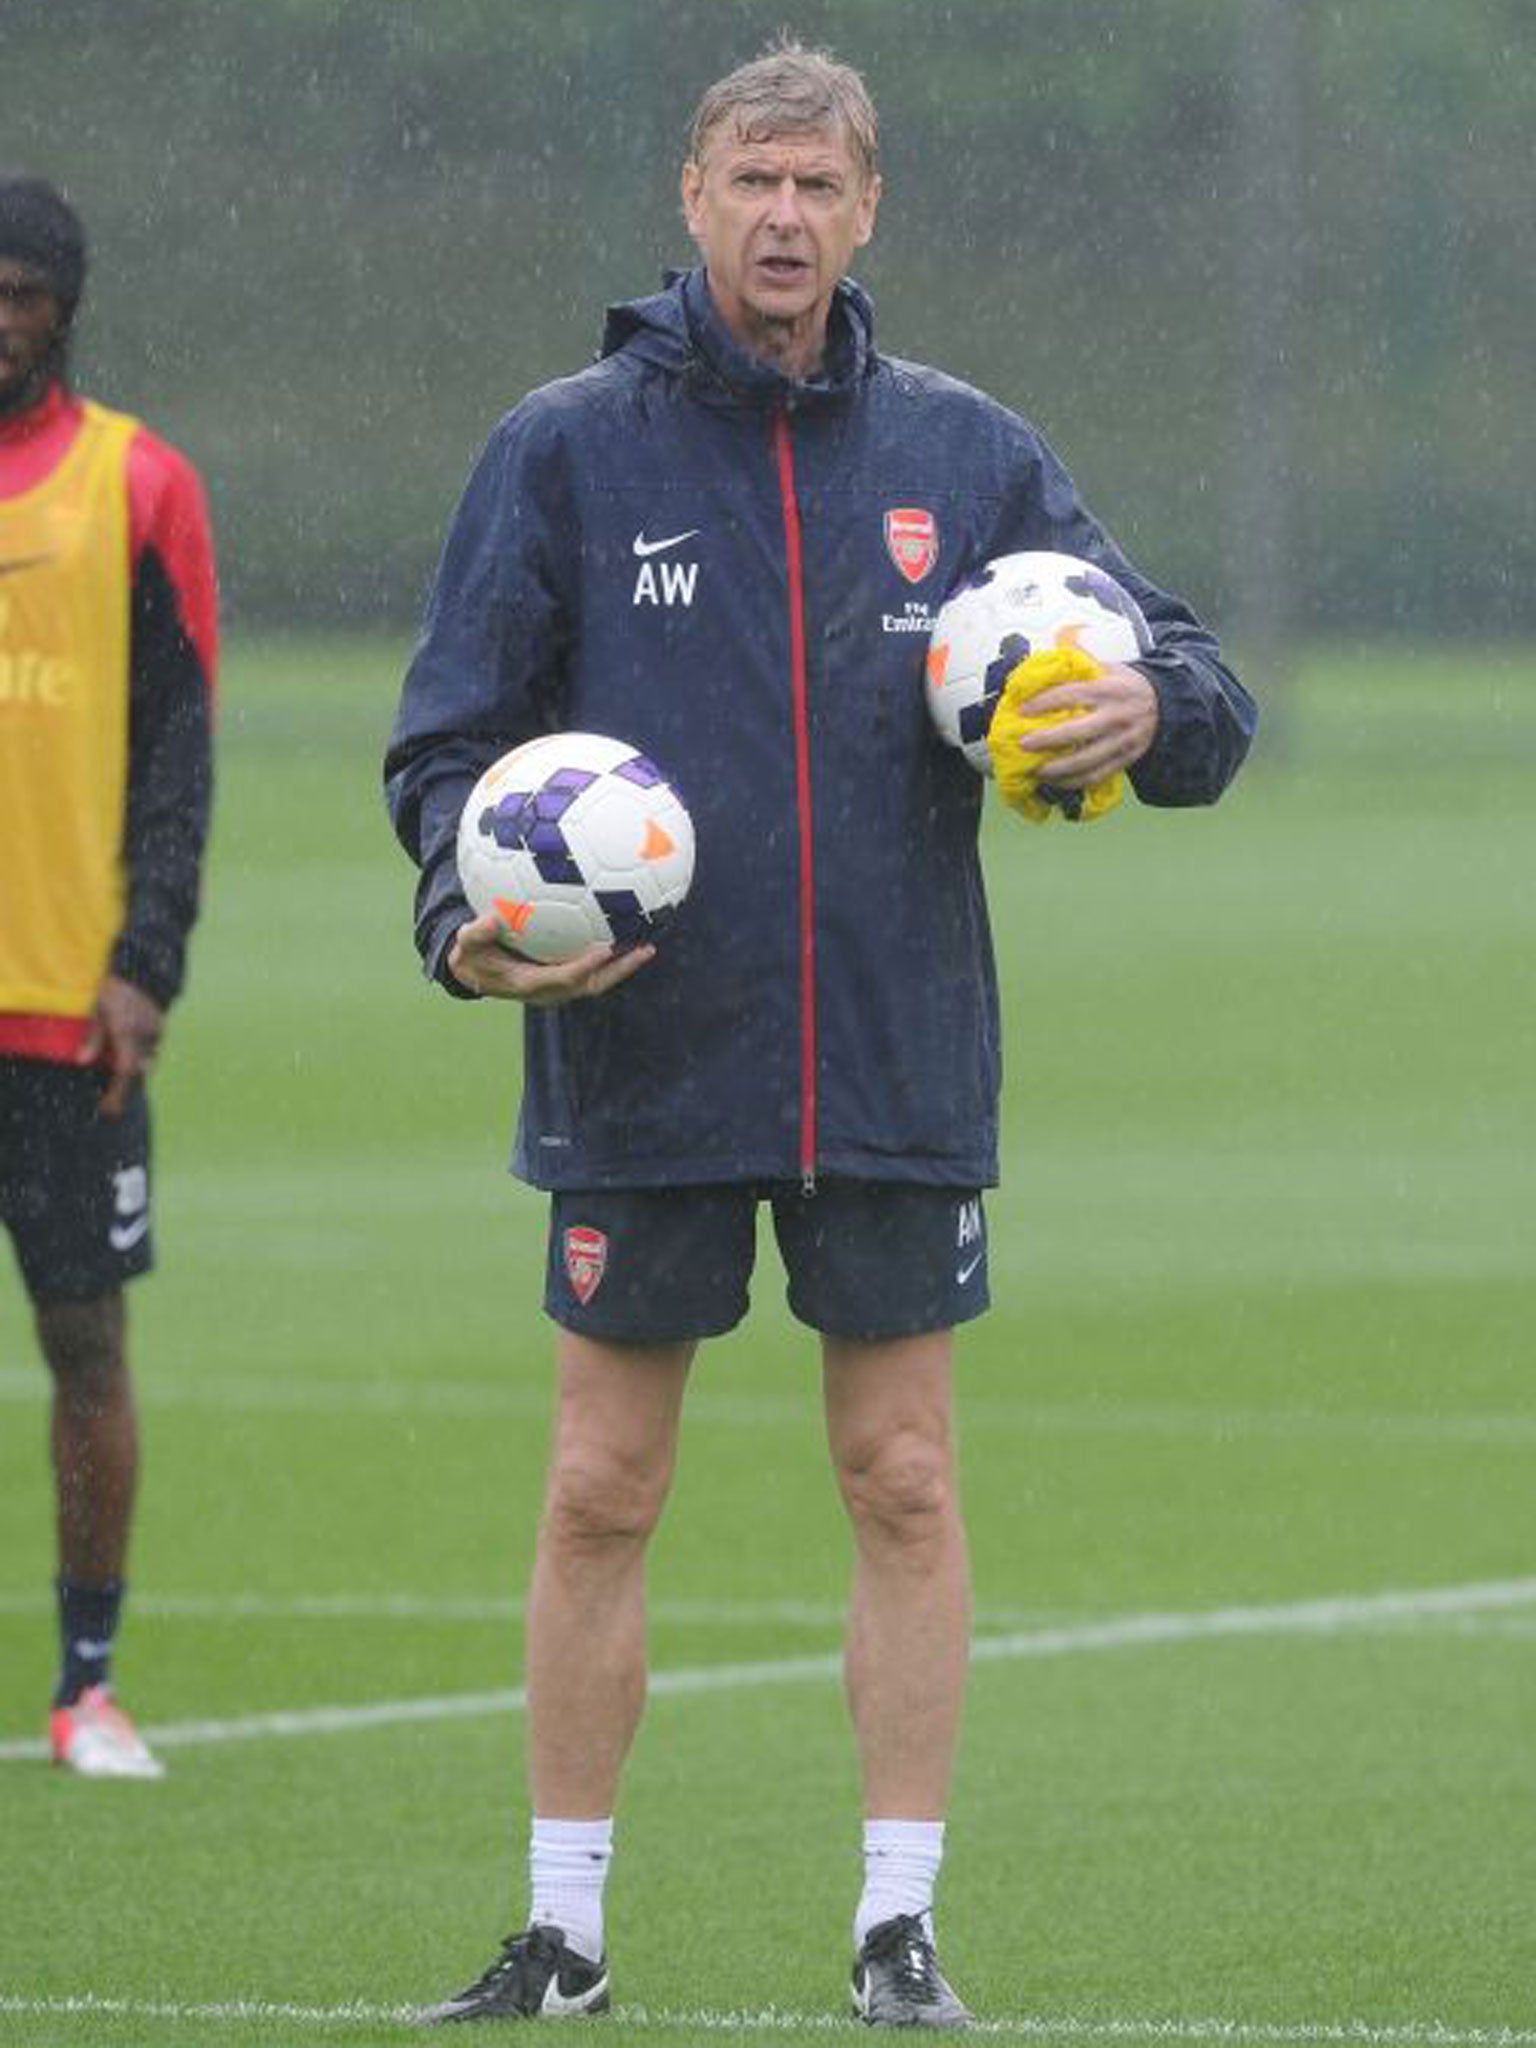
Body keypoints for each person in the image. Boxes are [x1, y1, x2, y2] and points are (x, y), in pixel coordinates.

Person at [385, 40, 1255, 2028]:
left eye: (818, 187)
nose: (783, 217)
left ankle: (897, 1928)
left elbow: (1188, 677)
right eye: (751, 180)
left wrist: (1153, 716)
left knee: (904, 1474)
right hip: (641, 1057)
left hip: (890, 1051)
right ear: (690, 198)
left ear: (870, 213)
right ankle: (565, 1934)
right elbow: (444, 741)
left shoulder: (966, 459)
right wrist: (464, 919)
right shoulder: (564, 452)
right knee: (604, 1480)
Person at [0, 175, 217, 1779]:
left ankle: (87, 1686)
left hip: (64, 1013)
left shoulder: (137, 483)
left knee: (85, 1349)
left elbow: (179, 749)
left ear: (62, 306)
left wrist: (148, 963)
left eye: (19, 289)